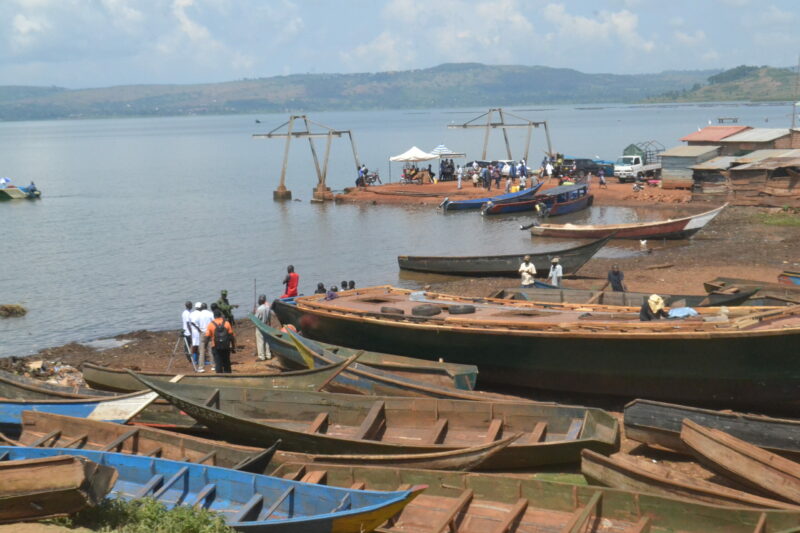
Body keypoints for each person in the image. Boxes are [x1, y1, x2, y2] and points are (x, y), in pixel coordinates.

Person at [204, 308, 236, 373]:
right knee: (227, 362)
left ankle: (219, 377)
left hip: (215, 346)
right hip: (226, 346)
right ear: (221, 315)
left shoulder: (210, 324)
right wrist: (233, 347)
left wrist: (205, 347)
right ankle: (228, 376)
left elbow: (207, 337)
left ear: (214, 316)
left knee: (218, 362)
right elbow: (231, 336)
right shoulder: (227, 323)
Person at [254, 294, 272, 361]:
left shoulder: (259, 309)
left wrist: (254, 312)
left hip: (260, 326)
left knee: (260, 341)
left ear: (259, 301)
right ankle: (268, 355)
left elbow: (256, 319)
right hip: (267, 325)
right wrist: (270, 325)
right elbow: (270, 317)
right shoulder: (268, 307)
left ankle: (262, 357)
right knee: (267, 341)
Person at [197, 302, 214, 370]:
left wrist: (200, 330)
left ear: (201, 308)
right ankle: (213, 365)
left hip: (202, 333)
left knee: (202, 351)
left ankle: (201, 367)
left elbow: (196, 324)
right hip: (209, 332)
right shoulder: (210, 313)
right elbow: (213, 322)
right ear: (207, 307)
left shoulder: (199, 314)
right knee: (211, 349)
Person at [189, 302, 203, 371]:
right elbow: (194, 323)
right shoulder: (200, 314)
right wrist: (199, 329)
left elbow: (190, 323)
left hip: (193, 332)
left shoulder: (191, 314)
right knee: (200, 346)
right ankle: (197, 360)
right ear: (200, 307)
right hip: (199, 331)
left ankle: (194, 360)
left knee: (194, 346)